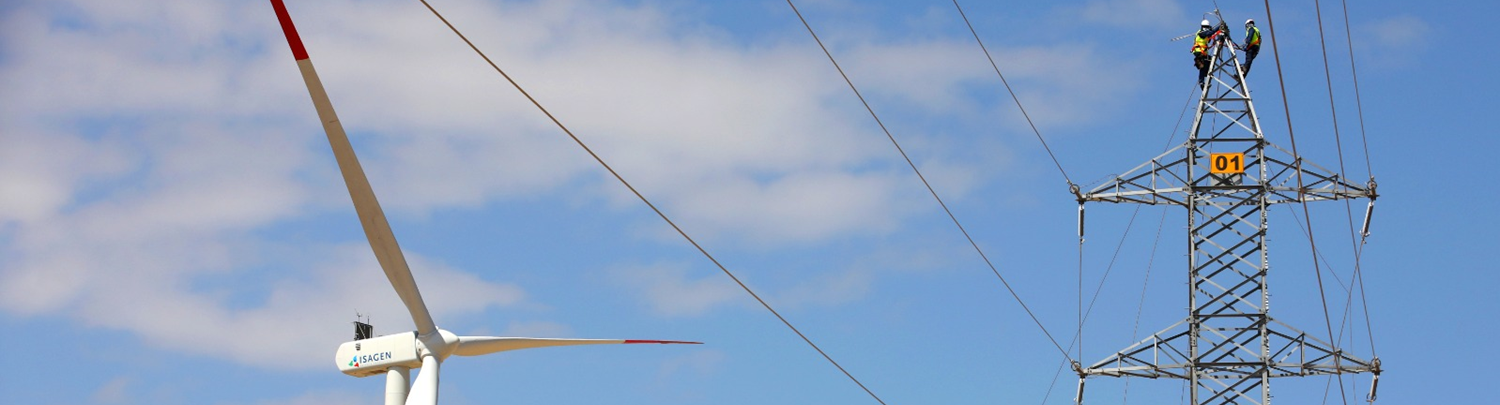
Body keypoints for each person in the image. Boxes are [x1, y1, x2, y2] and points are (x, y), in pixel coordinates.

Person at [1191, 19, 1222, 88]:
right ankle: (1201, 81)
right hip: (1199, 52)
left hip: (1203, 52)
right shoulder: (1201, 33)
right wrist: (1218, 28)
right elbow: (1209, 34)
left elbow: (1209, 38)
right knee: (1202, 65)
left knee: (1210, 60)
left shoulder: (1205, 34)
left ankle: (1206, 73)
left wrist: (1212, 32)